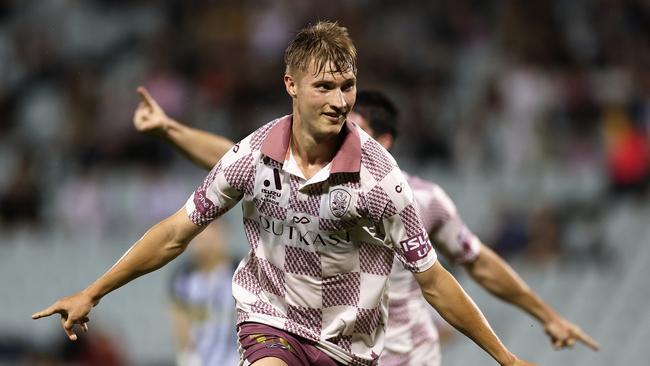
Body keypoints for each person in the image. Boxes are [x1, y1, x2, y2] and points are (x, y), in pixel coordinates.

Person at [33, 21, 533, 366]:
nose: (340, 102)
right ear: (291, 84)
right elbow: (174, 234)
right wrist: (93, 291)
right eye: (324, 87)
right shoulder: (252, 156)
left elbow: (436, 282)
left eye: (348, 86)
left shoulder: (381, 181)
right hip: (271, 321)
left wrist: (505, 357)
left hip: (348, 345)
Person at [132, 87, 599, 365]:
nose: (338, 129)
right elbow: (231, 158)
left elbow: (478, 264)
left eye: (354, 124)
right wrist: (170, 129)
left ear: (386, 140)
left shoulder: (423, 200)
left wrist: (547, 316)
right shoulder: (304, 178)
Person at [169, 221, 239, 366]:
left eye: (211, 230)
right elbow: (180, 323)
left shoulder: (240, 271)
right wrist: (188, 356)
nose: (204, 238)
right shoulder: (183, 277)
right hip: (199, 359)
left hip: (235, 358)